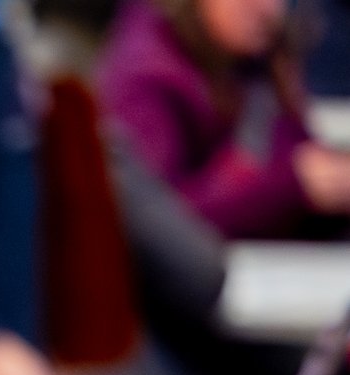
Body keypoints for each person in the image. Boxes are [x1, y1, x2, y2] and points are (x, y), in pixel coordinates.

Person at [99, 0, 350, 239]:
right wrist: (291, 186)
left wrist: (329, 181)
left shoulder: (254, 63)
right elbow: (161, 227)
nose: (266, 9)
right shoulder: (144, 78)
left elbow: (294, 152)